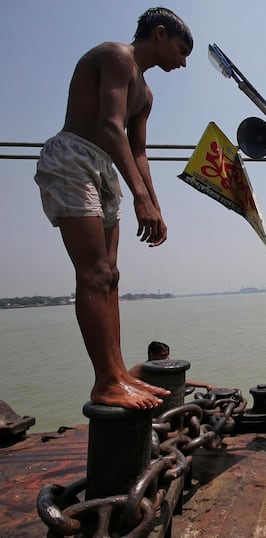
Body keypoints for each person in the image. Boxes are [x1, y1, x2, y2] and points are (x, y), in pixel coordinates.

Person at [33, 8, 193, 410]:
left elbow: (138, 150)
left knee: (112, 275)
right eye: (180, 49)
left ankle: (120, 373)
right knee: (94, 272)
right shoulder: (117, 56)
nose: (183, 61)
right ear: (159, 34)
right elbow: (108, 124)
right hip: (74, 157)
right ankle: (105, 380)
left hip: (107, 166)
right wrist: (139, 199)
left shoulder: (147, 95)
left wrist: (154, 204)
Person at [129, 342, 215, 391]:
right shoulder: (143, 368)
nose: (167, 359)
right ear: (152, 355)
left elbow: (175, 381)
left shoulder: (159, 369)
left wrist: (206, 385)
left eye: (168, 355)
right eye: (163, 356)